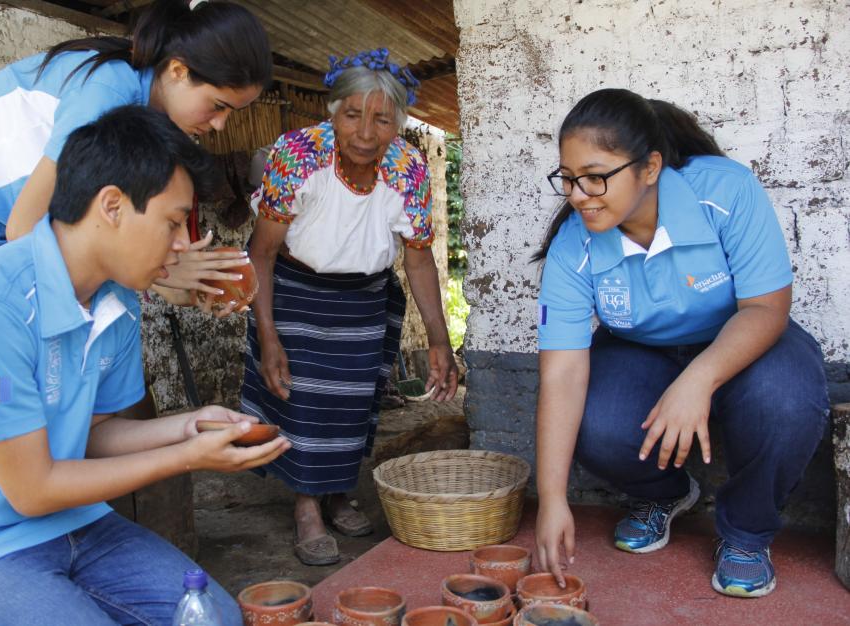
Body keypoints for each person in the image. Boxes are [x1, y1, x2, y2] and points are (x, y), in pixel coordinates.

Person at [0, 105, 290, 625]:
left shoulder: (117, 301)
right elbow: (32, 489)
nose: (183, 245)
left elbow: (93, 436)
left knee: (214, 619)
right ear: (112, 206)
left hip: (80, 523)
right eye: (174, 222)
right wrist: (188, 457)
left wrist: (191, 426)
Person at [532, 88, 828, 599]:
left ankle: (746, 534)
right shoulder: (573, 246)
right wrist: (551, 498)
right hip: (639, 353)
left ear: (650, 167)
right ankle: (663, 495)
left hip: (742, 337)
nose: (579, 194)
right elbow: (561, 373)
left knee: (788, 399)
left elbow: (766, 309)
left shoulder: (725, 190)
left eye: (596, 176)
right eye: (569, 178)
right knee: (594, 418)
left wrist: (698, 378)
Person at [241, 49, 459, 565]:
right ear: (333, 111)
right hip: (294, 288)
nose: (365, 131)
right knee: (304, 403)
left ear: (398, 123)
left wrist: (439, 337)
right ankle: (306, 507)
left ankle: (337, 494)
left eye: (382, 118)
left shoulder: (406, 167)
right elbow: (262, 252)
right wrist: (267, 333)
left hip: (363, 298)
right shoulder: (297, 155)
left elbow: (420, 258)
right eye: (352, 114)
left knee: (353, 405)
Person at [0, 0, 270, 311]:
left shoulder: (146, 117)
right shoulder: (108, 90)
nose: (220, 125)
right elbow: (23, 231)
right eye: (218, 106)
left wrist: (186, 285)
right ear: (178, 71)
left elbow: (98, 236)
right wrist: (165, 269)